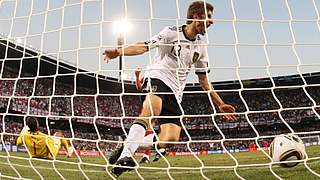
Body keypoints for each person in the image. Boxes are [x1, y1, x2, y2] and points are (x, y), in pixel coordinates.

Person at [104, 1, 236, 177]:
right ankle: (127, 156)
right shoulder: (170, 32)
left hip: (175, 92)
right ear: (196, 16)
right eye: (209, 17)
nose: (212, 22)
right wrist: (119, 51)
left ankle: (128, 145)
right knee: (151, 112)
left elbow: (203, 80)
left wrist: (219, 104)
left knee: (170, 139)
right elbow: (144, 46)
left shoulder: (201, 46)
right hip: (157, 76)